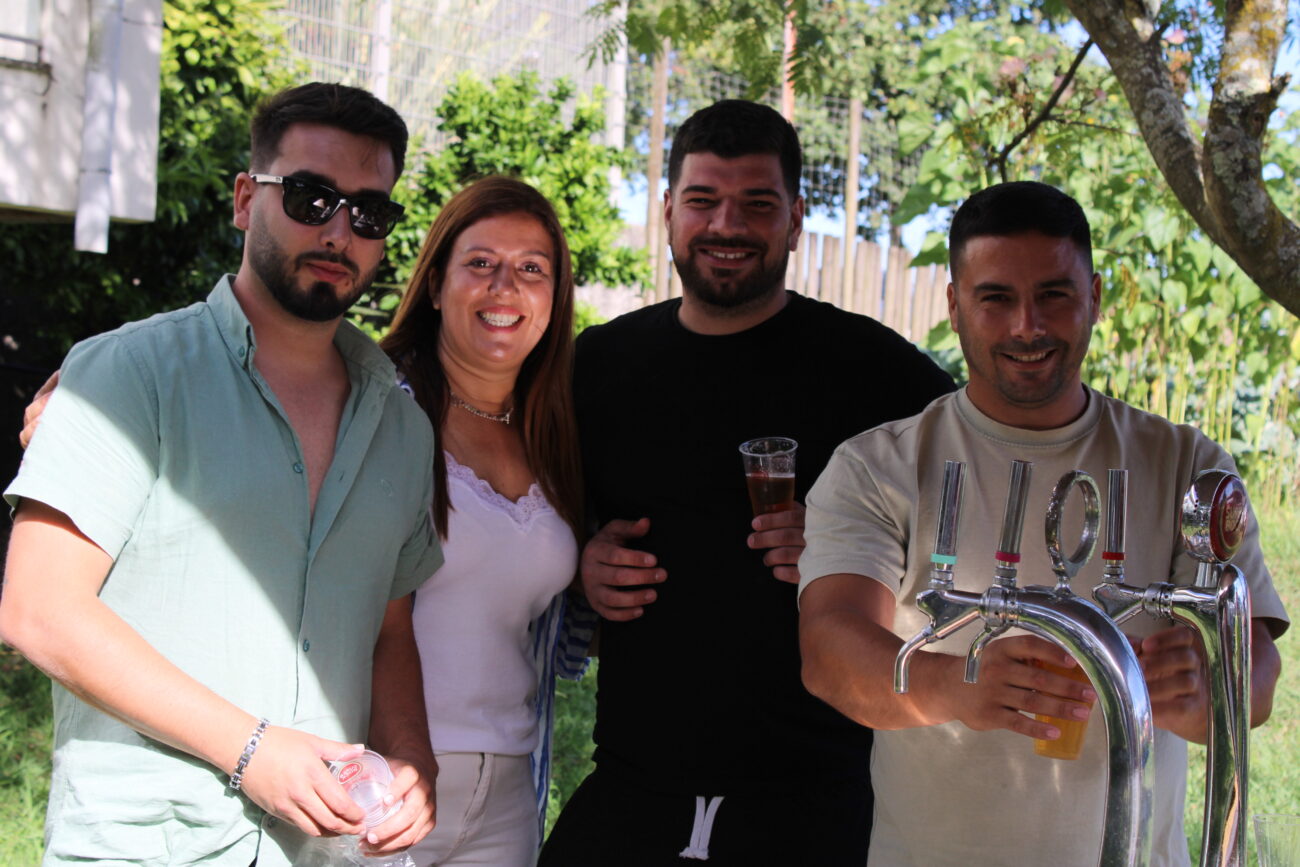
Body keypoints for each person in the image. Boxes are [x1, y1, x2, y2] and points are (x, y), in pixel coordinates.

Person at [0, 82, 442, 866]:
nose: (338, 231)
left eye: (368, 213)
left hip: (326, 851)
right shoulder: (125, 375)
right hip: (148, 847)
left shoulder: (402, 430)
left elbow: (389, 632)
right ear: (245, 199)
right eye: (310, 197)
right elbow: (39, 609)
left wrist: (412, 757)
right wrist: (251, 748)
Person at [797, 181, 1289, 867]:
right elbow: (829, 651)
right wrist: (955, 687)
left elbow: (1256, 675)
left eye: (1054, 294)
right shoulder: (879, 466)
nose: (1026, 326)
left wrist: (1209, 691)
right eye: (995, 298)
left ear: (1094, 297)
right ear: (954, 305)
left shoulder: (1186, 464)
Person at [539, 100, 955, 866]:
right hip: (634, 784)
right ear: (668, 210)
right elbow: (522, 517)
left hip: (817, 802)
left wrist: (855, 555)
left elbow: (972, 517)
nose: (726, 224)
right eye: (703, 200)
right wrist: (580, 566)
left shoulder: (877, 373)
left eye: (757, 204)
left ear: (795, 220)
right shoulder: (597, 366)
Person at [377, 176, 593, 865]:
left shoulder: (555, 435)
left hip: (509, 787)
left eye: (531, 269)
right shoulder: (376, 409)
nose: (505, 287)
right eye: (480, 263)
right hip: (378, 775)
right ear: (437, 286)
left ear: (554, 298)